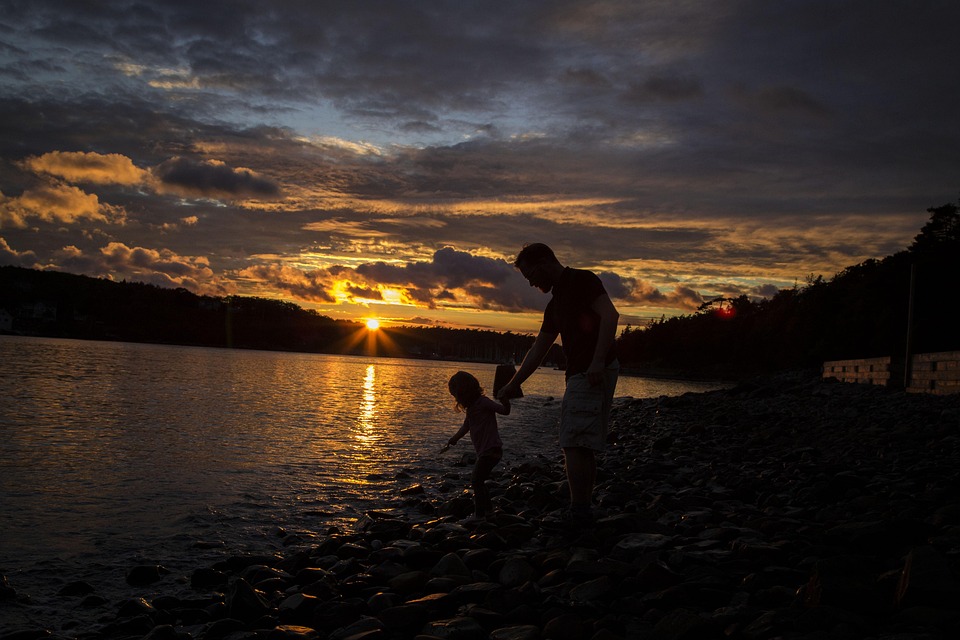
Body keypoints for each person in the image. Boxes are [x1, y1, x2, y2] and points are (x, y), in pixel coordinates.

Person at [497, 243, 619, 529]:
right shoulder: (555, 304)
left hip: (590, 373)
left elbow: (610, 315)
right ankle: (583, 508)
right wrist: (513, 384)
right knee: (582, 444)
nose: (531, 283)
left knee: (573, 442)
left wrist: (597, 362)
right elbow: (538, 350)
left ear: (543, 262)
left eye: (530, 275)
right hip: (583, 372)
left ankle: (579, 512)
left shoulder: (582, 280)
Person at [445, 370, 511, 523]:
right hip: (484, 451)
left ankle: (479, 515)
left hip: (491, 449)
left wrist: (505, 400)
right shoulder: (471, 408)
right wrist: (454, 439)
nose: (456, 399)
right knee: (479, 481)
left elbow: (505, 411)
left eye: (456, 396)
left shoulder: (484, 402)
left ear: (464, 392)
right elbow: (466, 426)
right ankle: (489, 512)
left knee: (476, 480)